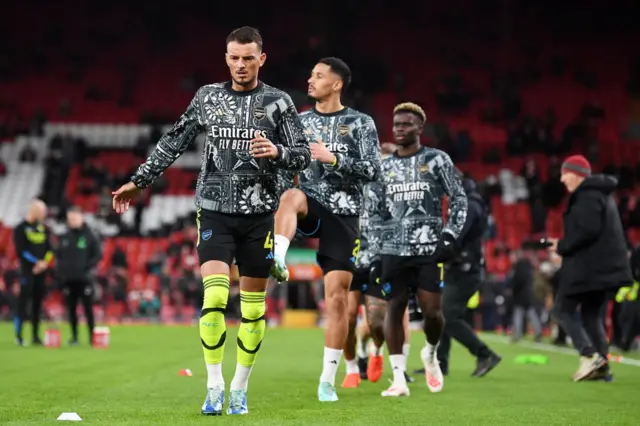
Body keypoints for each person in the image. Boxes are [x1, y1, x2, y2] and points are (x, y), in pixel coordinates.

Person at [111, 26, 311, 415]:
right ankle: (214, 385)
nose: (240, 64)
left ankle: (240, 387)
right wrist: (139, 180)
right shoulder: (208, 97)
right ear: (226, 58)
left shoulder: (279, 102)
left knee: (252, 310)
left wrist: (278, 151)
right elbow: (175, 139)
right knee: (216, 296)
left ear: (261, 59)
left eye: (248, 58)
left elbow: (303, 154)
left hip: (258, 216)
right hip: (214, 210)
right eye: (234, 57)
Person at [270, 57, 381, 402]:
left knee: (338, 302)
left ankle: (327, 380)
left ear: (336, 84)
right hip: (311, 203)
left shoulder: (361, 123)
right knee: (290, 195)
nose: (310, 79)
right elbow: (285, 164)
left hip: (346, 216)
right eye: (311, 74)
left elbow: (374, 170)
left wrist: (333, 158)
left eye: (318, 76)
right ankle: (278, 257)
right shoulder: (299, 122)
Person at [377, 102, 467, 397]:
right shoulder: (385, 165)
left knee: (432, 313)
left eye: (406, 124)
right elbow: (375, 209)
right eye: (396, 124)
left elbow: (459, 199)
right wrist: (376, 249)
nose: (400, 129)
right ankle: (398, 378)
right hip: (393, 249)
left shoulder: (437, 159)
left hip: (429, 249)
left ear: (419, 128)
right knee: (394, 307)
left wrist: (449, 236)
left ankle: (430, 352)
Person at [548, 155, 632, 382]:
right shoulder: (602, 195)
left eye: (565, 173)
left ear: (576, 174)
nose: (562, 179)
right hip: (602, 269)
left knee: (561, 310)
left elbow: (587, 230)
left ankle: (588, 355)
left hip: (589, 270)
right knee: (591, 315)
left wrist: (562, 246)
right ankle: (603, 367)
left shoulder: (586, 195)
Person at [343, 180, 413, 388]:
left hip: (376, 260)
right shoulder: (343, 185)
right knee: (348, 317)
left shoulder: (384, 191)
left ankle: (376, 349)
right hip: (349, 259)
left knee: (377, 322)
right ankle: (352, 369)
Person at [435, 173, 501, 377]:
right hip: (463, 268)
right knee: (444, 313)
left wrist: (436, 252)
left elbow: (456, 237)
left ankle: (485, 354)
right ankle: (440, 363)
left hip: (465, 270)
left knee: (447, 316)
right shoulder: (471, 203)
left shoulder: (469, 206)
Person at [55, 207, 102, 345]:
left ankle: (92, 337)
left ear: (81, 218)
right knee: (71, 309)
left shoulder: (90, 236)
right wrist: (62, 272)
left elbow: (98, 254)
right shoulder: (65, 237)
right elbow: (59, 256)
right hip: (69, 280)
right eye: (69, 219)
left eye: (74, 218)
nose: (71, 221)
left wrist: (87, 267)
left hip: (84, 279)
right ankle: (74, 337)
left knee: (88, 308)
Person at [13, 199, 52, 346]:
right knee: (23, 304)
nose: (44, 215)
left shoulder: (44, 229)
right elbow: (21, 251)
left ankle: (35, 336)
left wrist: (43, 263)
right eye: (42, 212)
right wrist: (36, 263)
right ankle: (19, 336)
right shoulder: (20, 228)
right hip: (27, 272)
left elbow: (50, 250)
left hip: (41, 272)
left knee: (37, 304)